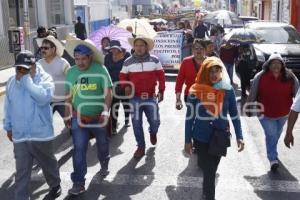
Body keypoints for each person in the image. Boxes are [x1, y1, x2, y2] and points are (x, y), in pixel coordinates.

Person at [3, 51, 61, 200]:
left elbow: (43, 98)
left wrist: (28, 81)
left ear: (34, 65)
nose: (21, 72)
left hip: (41, 134)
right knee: (21, 171)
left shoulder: (45, 79)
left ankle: (55, 184)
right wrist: (8, 126)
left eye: (25, 68)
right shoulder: (11, 82)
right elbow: (8, 106)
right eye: (19, 68)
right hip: (20, 135)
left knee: (48, 163)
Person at [185, 57, 245, 200]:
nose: (214, 74)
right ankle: (209, 196)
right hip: (200, 137)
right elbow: (189, 118)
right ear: (204, 72)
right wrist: (187, 140)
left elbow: (235, 116)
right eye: (210, 71)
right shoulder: (196, 90)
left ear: (221, 72)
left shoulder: (228, 90)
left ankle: (206, 191)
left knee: (211, 169)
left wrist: (239, 136)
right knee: (210, 170)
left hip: (220, 137)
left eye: (217, 71)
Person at [65, 39, 112, 195]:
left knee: (103, 145)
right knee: (79, 149)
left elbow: (108, 93)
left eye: (83, 58)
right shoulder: (71, 72)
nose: (80, 62)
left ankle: (104, 161)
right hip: (79, 118)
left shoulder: (100, 70)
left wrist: (105, 112)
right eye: (77, 59)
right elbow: (69, 95)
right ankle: (78, 182)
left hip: (99, 118)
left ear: (90, 57)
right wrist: (67, 113)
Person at [247, 53, 299, 171]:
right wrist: (249, 107)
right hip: (265, 113)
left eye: (278, 63)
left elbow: (297, 93)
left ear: (282, 65)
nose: (276, 65)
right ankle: (273, 158)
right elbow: (252, 92)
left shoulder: (290, 76)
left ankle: (272, 149)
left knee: (275, 134)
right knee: (271, 134)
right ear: (268, 65)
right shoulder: (260, 76)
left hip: (284, 114)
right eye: (273, 63)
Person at [119, 35, 165, 158]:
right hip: (134, 98)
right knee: (136, 124)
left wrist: (161, 90)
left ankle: (153, 132)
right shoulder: (127, 61)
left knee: (155, 122)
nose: (139, 48)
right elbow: (122, 76)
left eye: (141, 45)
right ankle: (140, 147)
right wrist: (126, 86)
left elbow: (161, 76)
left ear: (146, 47)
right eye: (136, 45)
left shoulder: (155, 60)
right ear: (133, 47)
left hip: (150, 97)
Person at [38, 35, 71, 120]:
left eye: (46, 48)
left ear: (53, 49)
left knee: (71, 125)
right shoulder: (39, 64)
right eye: (42, 48)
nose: (43, 50)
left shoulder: (63, 63)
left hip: (63, 101)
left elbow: (72, 80)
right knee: (44, 127)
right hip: (46, 102)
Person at [104, 40, 131, 134]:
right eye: (112, 49)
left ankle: (127, 120)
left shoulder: (127, 55)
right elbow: (105, 70)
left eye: (115, 48)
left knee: (126, 104)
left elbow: (130, 71)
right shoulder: (107, 57)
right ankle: (113, 127)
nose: (114, 50)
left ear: (120, 48)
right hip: (112, 85)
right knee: (114, 107)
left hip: (124, 85)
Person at [175, 39, 207, 110]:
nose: (199, 50)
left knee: (204, 119)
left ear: (205, 50)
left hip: (206, 96)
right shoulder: (186, 62)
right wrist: (178, 99)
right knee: (192, 118)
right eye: (196, 48)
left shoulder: (210, 62)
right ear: (192, 50)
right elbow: (179, 81)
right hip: (190, 96)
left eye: (201, 48)